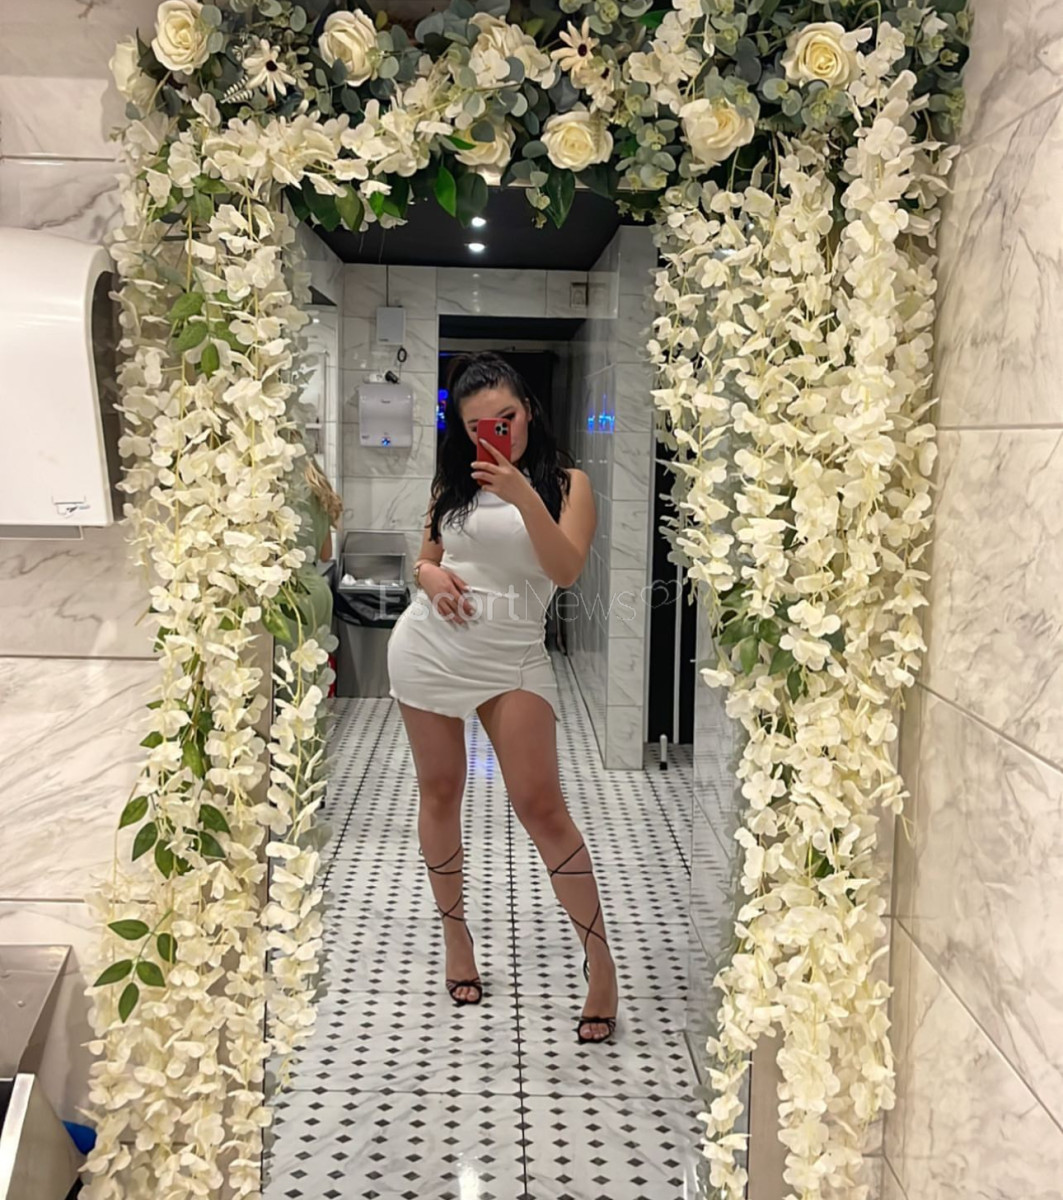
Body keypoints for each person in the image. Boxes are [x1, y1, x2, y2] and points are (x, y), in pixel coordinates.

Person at [386, 352, 619, 1044]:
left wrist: (521, 495)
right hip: (429, 650)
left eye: (507, 418)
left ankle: (600, 963)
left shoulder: (569, 485)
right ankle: (456, 939)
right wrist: (428, 578)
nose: (497, 433)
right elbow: (426, 559)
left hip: (513, 658)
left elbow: (565, 569)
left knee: (541, 807)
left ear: (528, 410)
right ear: (461, 430)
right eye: (478, 425)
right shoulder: (452, 483)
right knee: (439, 794)